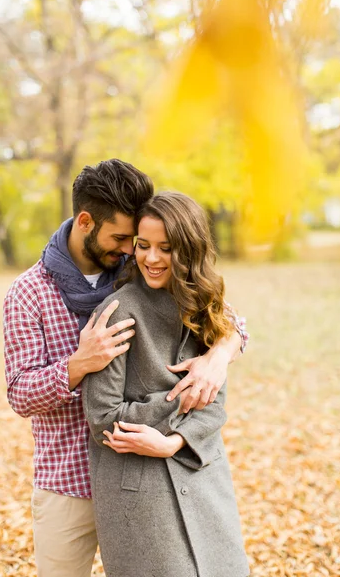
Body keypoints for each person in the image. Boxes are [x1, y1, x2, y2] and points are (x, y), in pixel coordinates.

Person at [3, 159, 248, 577]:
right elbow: (20, 394)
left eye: (133, 239)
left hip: (149, 473)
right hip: (69, 477)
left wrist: (216, 359)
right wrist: (78, 366)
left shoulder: (140, 268)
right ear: (85, 221)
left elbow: (230, 323)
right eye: (122, 238)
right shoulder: (29, 292)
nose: (129, 249)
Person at [82, 191, 250, 577]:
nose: (151, 258)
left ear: (189, 250)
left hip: (202, 474)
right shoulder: (117, 312)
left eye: (166, 248)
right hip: (140, 494)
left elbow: (216, 401)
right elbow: (103, 416)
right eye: (143, 246)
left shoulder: (207, 305)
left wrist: (173, 443)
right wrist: (183, 400)